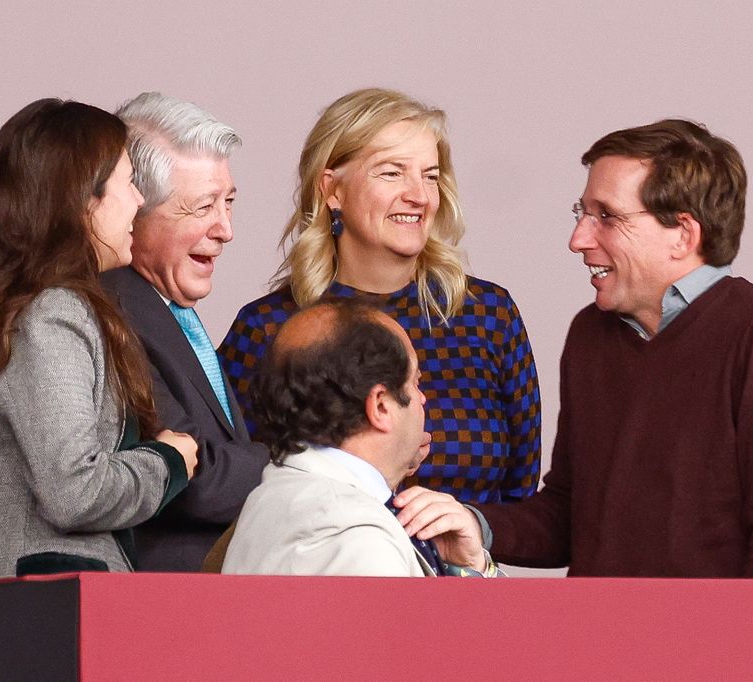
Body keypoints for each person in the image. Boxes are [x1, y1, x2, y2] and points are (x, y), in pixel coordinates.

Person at [475, 119, 753, 577]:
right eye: (581, 213)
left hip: (711, 646)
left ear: (683, 234)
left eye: (606, 216)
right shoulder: (590, 334)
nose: (578, 239)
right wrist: (473, 525)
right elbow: (567, 517)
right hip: (595, 641)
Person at [0, 99, 198, 583]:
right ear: (83, 198)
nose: (139, 200)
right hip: (50, 617)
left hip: (7, 614)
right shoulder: (51, 314)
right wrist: (168, 461)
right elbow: (76, 492)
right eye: (129, 181)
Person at [219, 88, 541, 510]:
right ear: (332, 190)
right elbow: (234, 486)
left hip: (461, 572)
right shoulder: (269, 328)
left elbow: (519, 494)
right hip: (322, 572)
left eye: (430, 175)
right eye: (392, 173)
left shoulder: (489, 314)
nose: (419, 195)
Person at [99, 92, 268, 571]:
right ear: (135, 207)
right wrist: (310, 470)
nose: (226, 230)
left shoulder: (167, 306)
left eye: (229, 203)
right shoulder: (108, 309)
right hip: (159, 607)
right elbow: (195, 480)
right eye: (203, 207)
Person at [222, 301, 496, 577]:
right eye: (415, 382)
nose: (422, 398)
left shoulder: (279, 495)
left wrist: (465, 568)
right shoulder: (358, 537)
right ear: (380, 406)